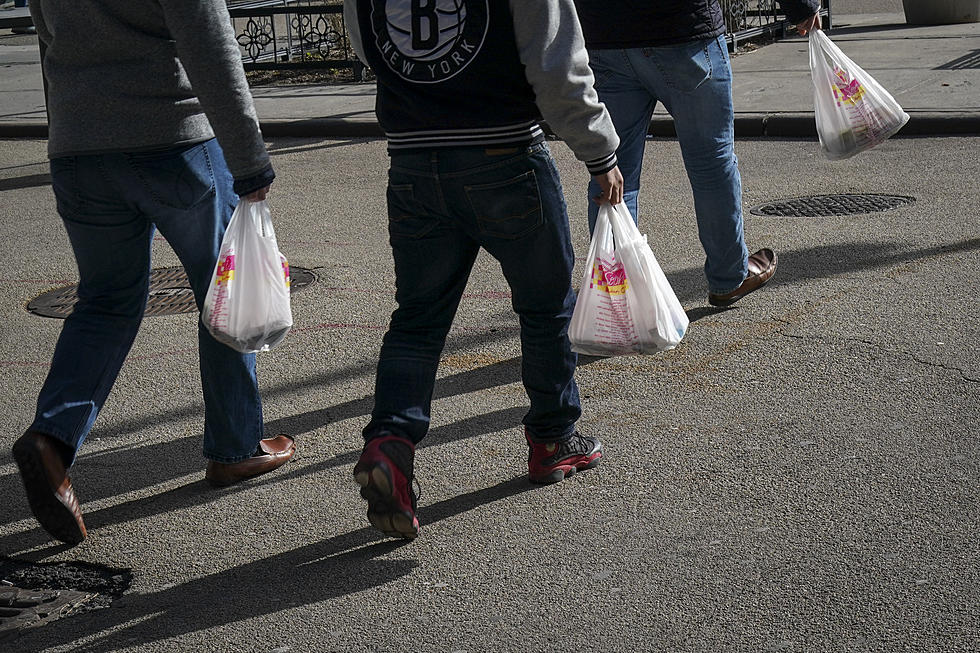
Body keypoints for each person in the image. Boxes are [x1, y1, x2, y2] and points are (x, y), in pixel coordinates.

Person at [13, 0, 295, 546]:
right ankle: (235, 448)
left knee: (105, 302)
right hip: (173, 140)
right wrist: (250, 160)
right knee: (222, 291)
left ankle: (52, 438)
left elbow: (50, 38)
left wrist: (68, 134)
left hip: (79, 149)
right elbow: (211, 47)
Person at [343, 0, 624, 539]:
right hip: (505, 152)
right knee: (545, 306)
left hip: (412, 158)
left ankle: (389, 444)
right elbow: (556, 64)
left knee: (419, 319)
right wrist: (600, 152)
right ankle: (552, 438)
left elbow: (370, 48)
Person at [573, 0, 821, 307]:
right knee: (711, 165)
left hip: (605, 34)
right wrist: (801, 6)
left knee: (612, 172)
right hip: (684, 30)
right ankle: (728, 277)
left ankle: (615, 299)